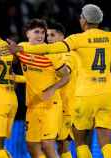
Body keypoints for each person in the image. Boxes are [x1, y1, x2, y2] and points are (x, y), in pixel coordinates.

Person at [8, 4, 111, 158]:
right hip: (107, 94)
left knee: (80, 142)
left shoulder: (77, 39)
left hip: (85, 95)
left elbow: (49, 48)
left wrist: (23, 48)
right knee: (106, 143)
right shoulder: (110, 37)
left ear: (84, 20)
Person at [16, 19, 71, 158]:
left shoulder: (51, 53)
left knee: (47, 145)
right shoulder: (21, 48)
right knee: (32, 147)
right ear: (27, 33)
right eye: (36, 32)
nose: (40, 35)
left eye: (42, 32)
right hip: (32, 106)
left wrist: (52, 89)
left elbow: (66, 76)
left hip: (50, 105)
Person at [46, 21, 81, 158]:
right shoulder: (53, 55)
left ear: (62, 37)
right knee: (50, 144)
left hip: (67, 107)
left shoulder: (70, 55)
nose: (48, 38)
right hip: (54, 106)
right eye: (47, 35)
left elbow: (64, 72)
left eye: (52, 35)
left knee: (63, 146)